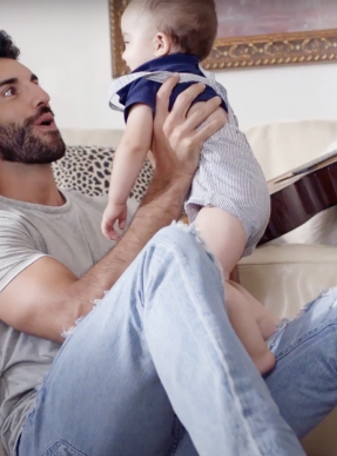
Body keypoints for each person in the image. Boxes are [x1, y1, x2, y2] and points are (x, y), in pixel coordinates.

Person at [0, 30, 337, 456]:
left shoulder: (121, 213)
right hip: (61, 436)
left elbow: (215, 294)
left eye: (34, 82)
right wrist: (170, 181)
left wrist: (214, 177)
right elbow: (70, 314)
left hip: (183, 416)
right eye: (10, 91)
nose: (40, 96)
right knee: (174, 247)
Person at [102, 0, 276, 375]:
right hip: (247, 192)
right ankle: (270, 327)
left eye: (128, 41)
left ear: (159, 43)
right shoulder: (201, 81)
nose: (125, 53)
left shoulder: (149, 82)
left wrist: (116, 200)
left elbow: (133, 144)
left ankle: (255, 355)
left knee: (197, 276)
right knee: (215, 275)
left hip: (222, 196)